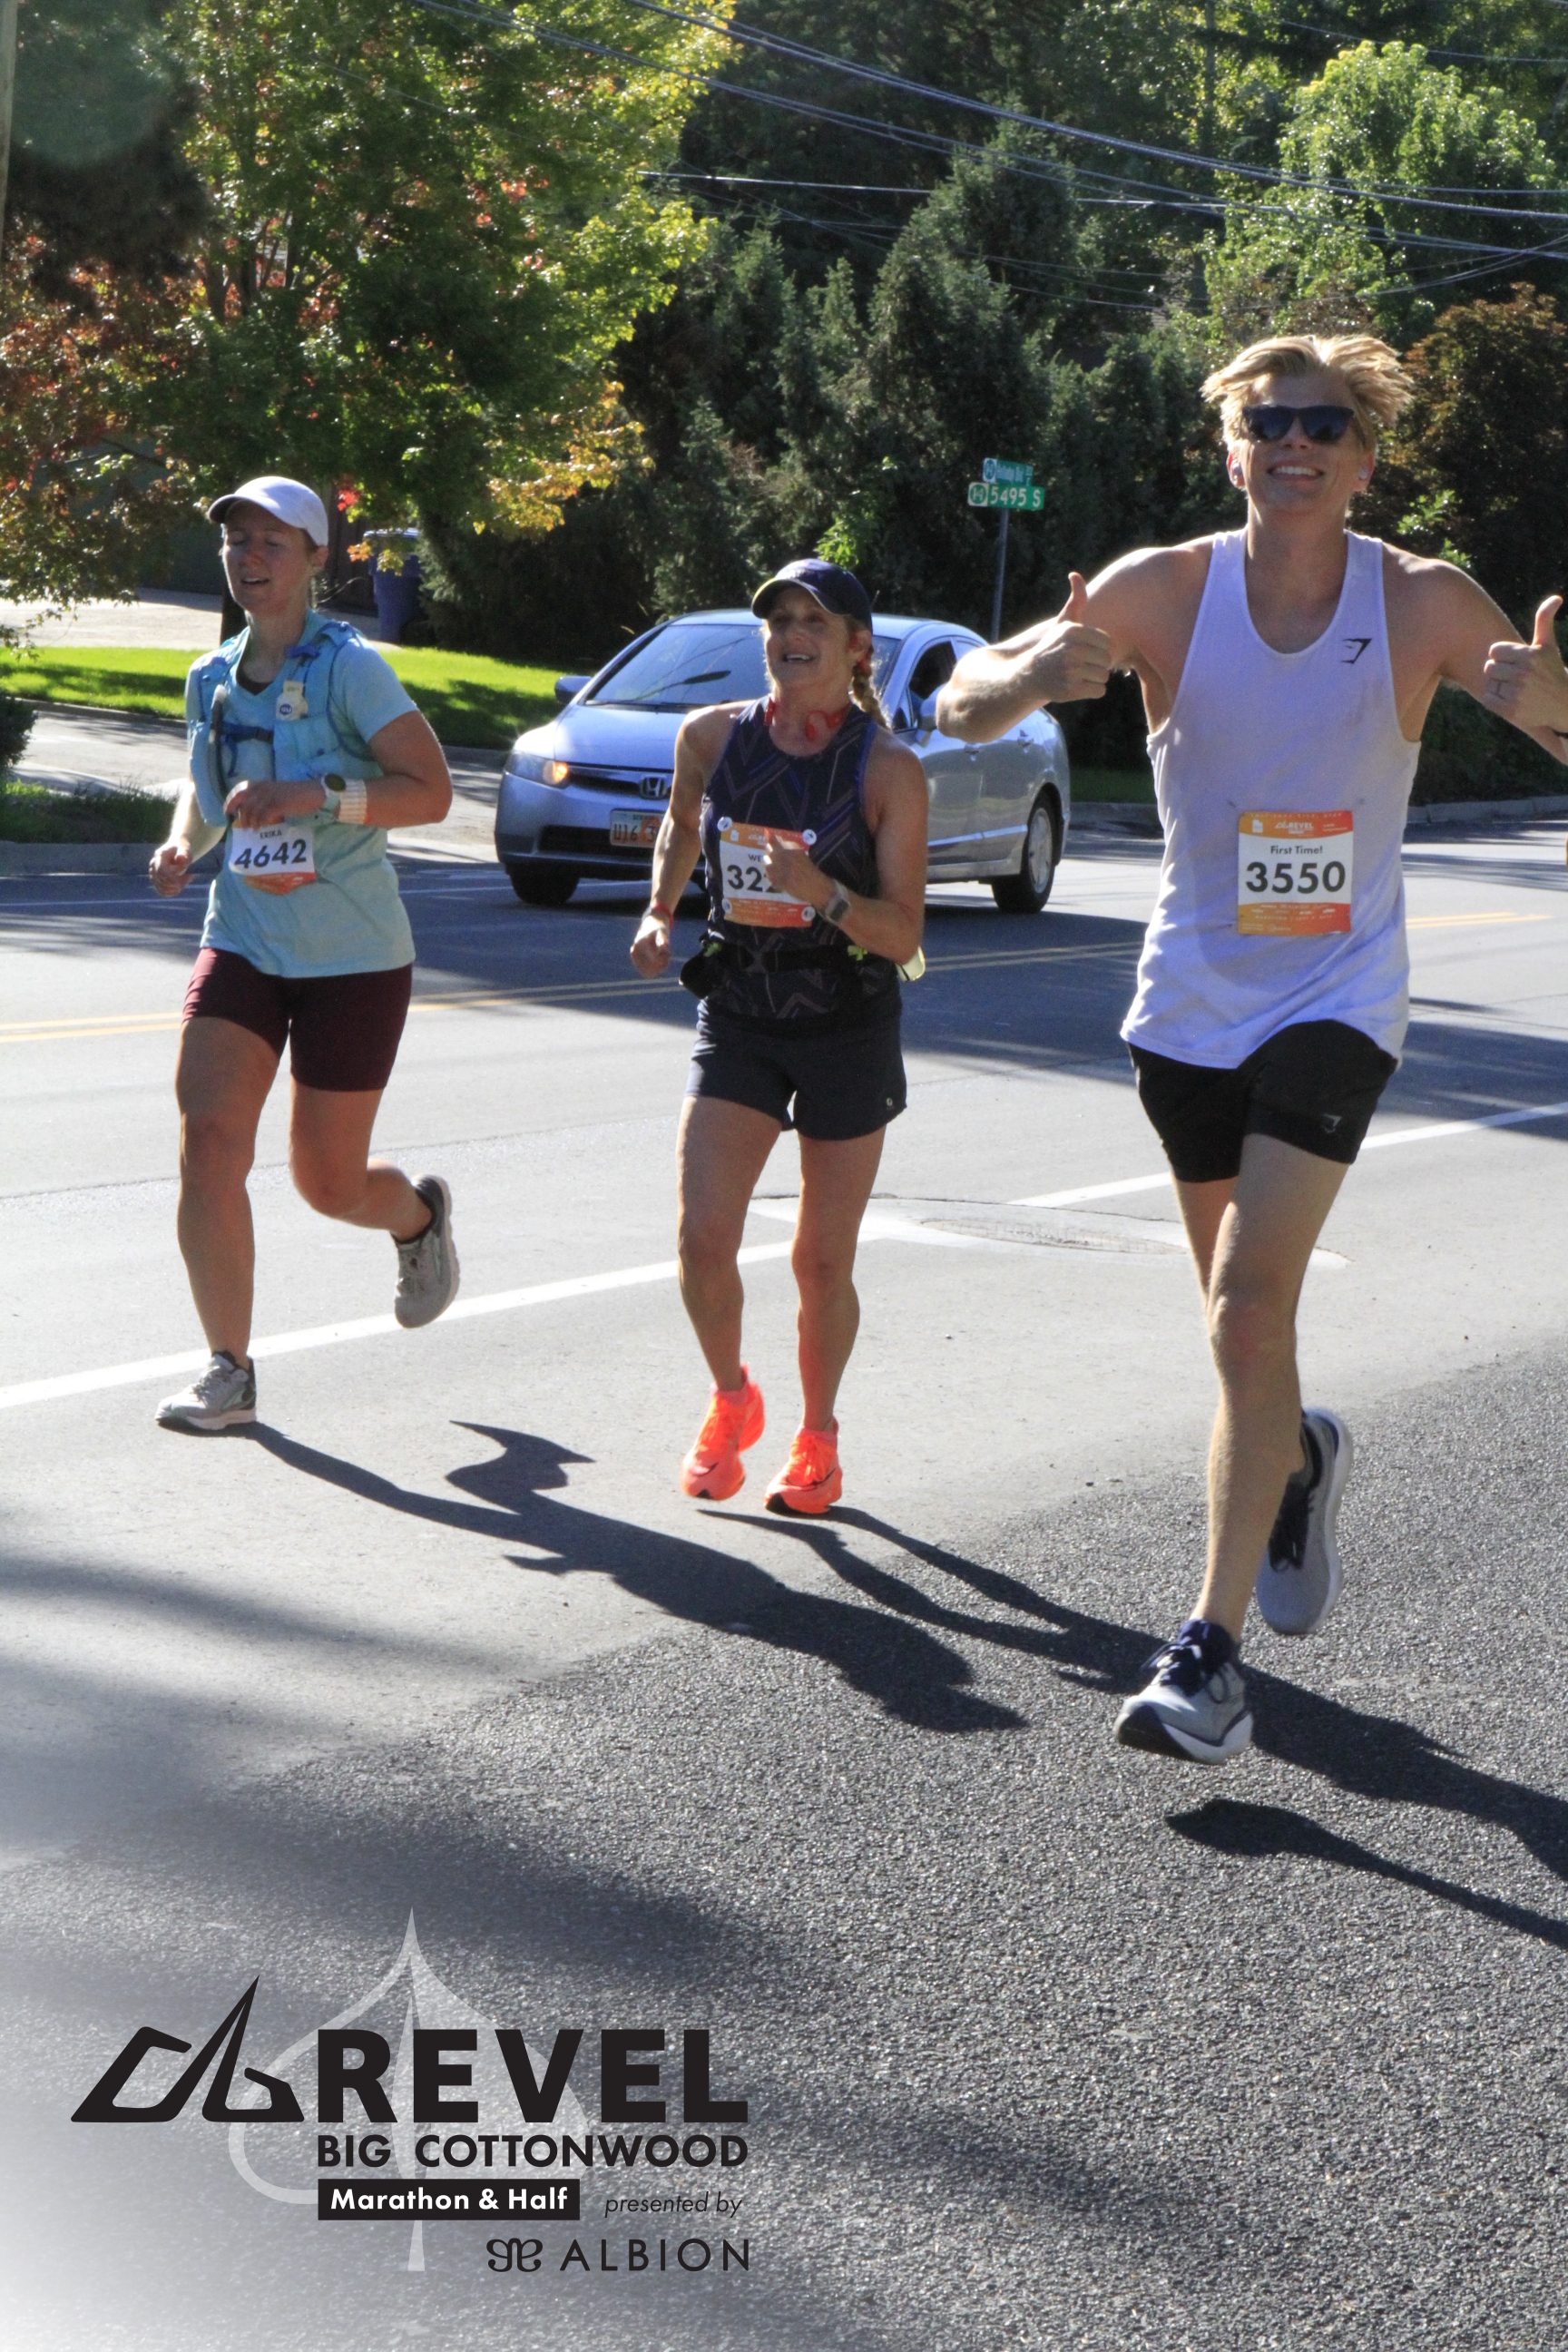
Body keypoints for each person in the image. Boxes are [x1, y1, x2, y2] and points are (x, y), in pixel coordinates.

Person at [937, 333, 1568, 1761]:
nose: (1295, 442)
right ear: (1233, 452)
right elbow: (953, 701)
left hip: (1341, 992)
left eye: (1324, 424)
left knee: (1242, 1310)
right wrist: (1027, 676)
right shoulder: (1167, 588)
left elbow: (1560, 721)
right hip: (1189, 1005)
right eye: (1268, 422)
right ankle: (1293, 1459)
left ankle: (1208, 1658)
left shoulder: (1419, 601)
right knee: (1243, 1335)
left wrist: (1552, 703)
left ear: (1363, 458)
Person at [148, 475, 460, 1432]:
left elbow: (432, 791)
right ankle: (229, 1371)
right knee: (208, 1141)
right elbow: (210, 788)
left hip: (351, 954)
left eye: (271, 542)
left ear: (316, 558)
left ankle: (417, 1217)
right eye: (236, 540)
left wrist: (318, 795)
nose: (249, 557)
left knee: (327, 1183)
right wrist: (182, 841)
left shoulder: (348, 669)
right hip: (243, 936)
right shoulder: (210, 676)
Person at [629, 558, 927, 1513]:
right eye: (779, 621)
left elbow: (904, 934)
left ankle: (818, 1441)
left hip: (846, 1022)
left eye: (814, 623)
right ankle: (732, 1399)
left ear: (857, 648)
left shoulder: (887, 769)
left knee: (820, 1261)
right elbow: (682, 826)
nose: (792, 637)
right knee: (701, 1238)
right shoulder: (712, 736)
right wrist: (659, 909)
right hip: (741, 1011)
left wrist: (822, 893)